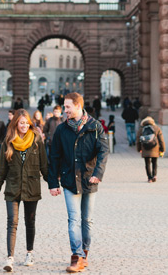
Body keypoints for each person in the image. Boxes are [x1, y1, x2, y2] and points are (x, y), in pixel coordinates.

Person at [48, 92, 109, 273]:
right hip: (69, 180)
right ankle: (76, 257)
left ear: (77, 106)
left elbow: (104, 152)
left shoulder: (95, 127)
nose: (64, 110)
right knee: (73, 219)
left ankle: (85, 254)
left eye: (67, 107)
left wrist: (98, 173)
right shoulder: (61, 129)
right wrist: (53, 182)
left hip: (89, 179)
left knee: (87, 220)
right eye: (64, 107)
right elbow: (54, 156)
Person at [0, 109, 48, 272]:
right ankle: (10, 258)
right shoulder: (8, 141)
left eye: (26, 123)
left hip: (31, 186)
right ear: (16, 124)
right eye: (21, 123)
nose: (24, 126)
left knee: (30, 221)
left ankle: (29, 253)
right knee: (12, 222)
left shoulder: (37, 139)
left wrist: (52, 184)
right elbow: (2, 167)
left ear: (30, 124)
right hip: (13, 186)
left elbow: (44, 164)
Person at [136, 116, 165, 182]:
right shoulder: (156, 128)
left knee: (147, 163)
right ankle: (154, 175)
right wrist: (162, 149)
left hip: (145, 148)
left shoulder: (141, 129)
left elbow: (138, 140)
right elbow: (161, 140)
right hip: (155, 147)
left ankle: (149, 178)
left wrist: (139, 149)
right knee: (154, 163)